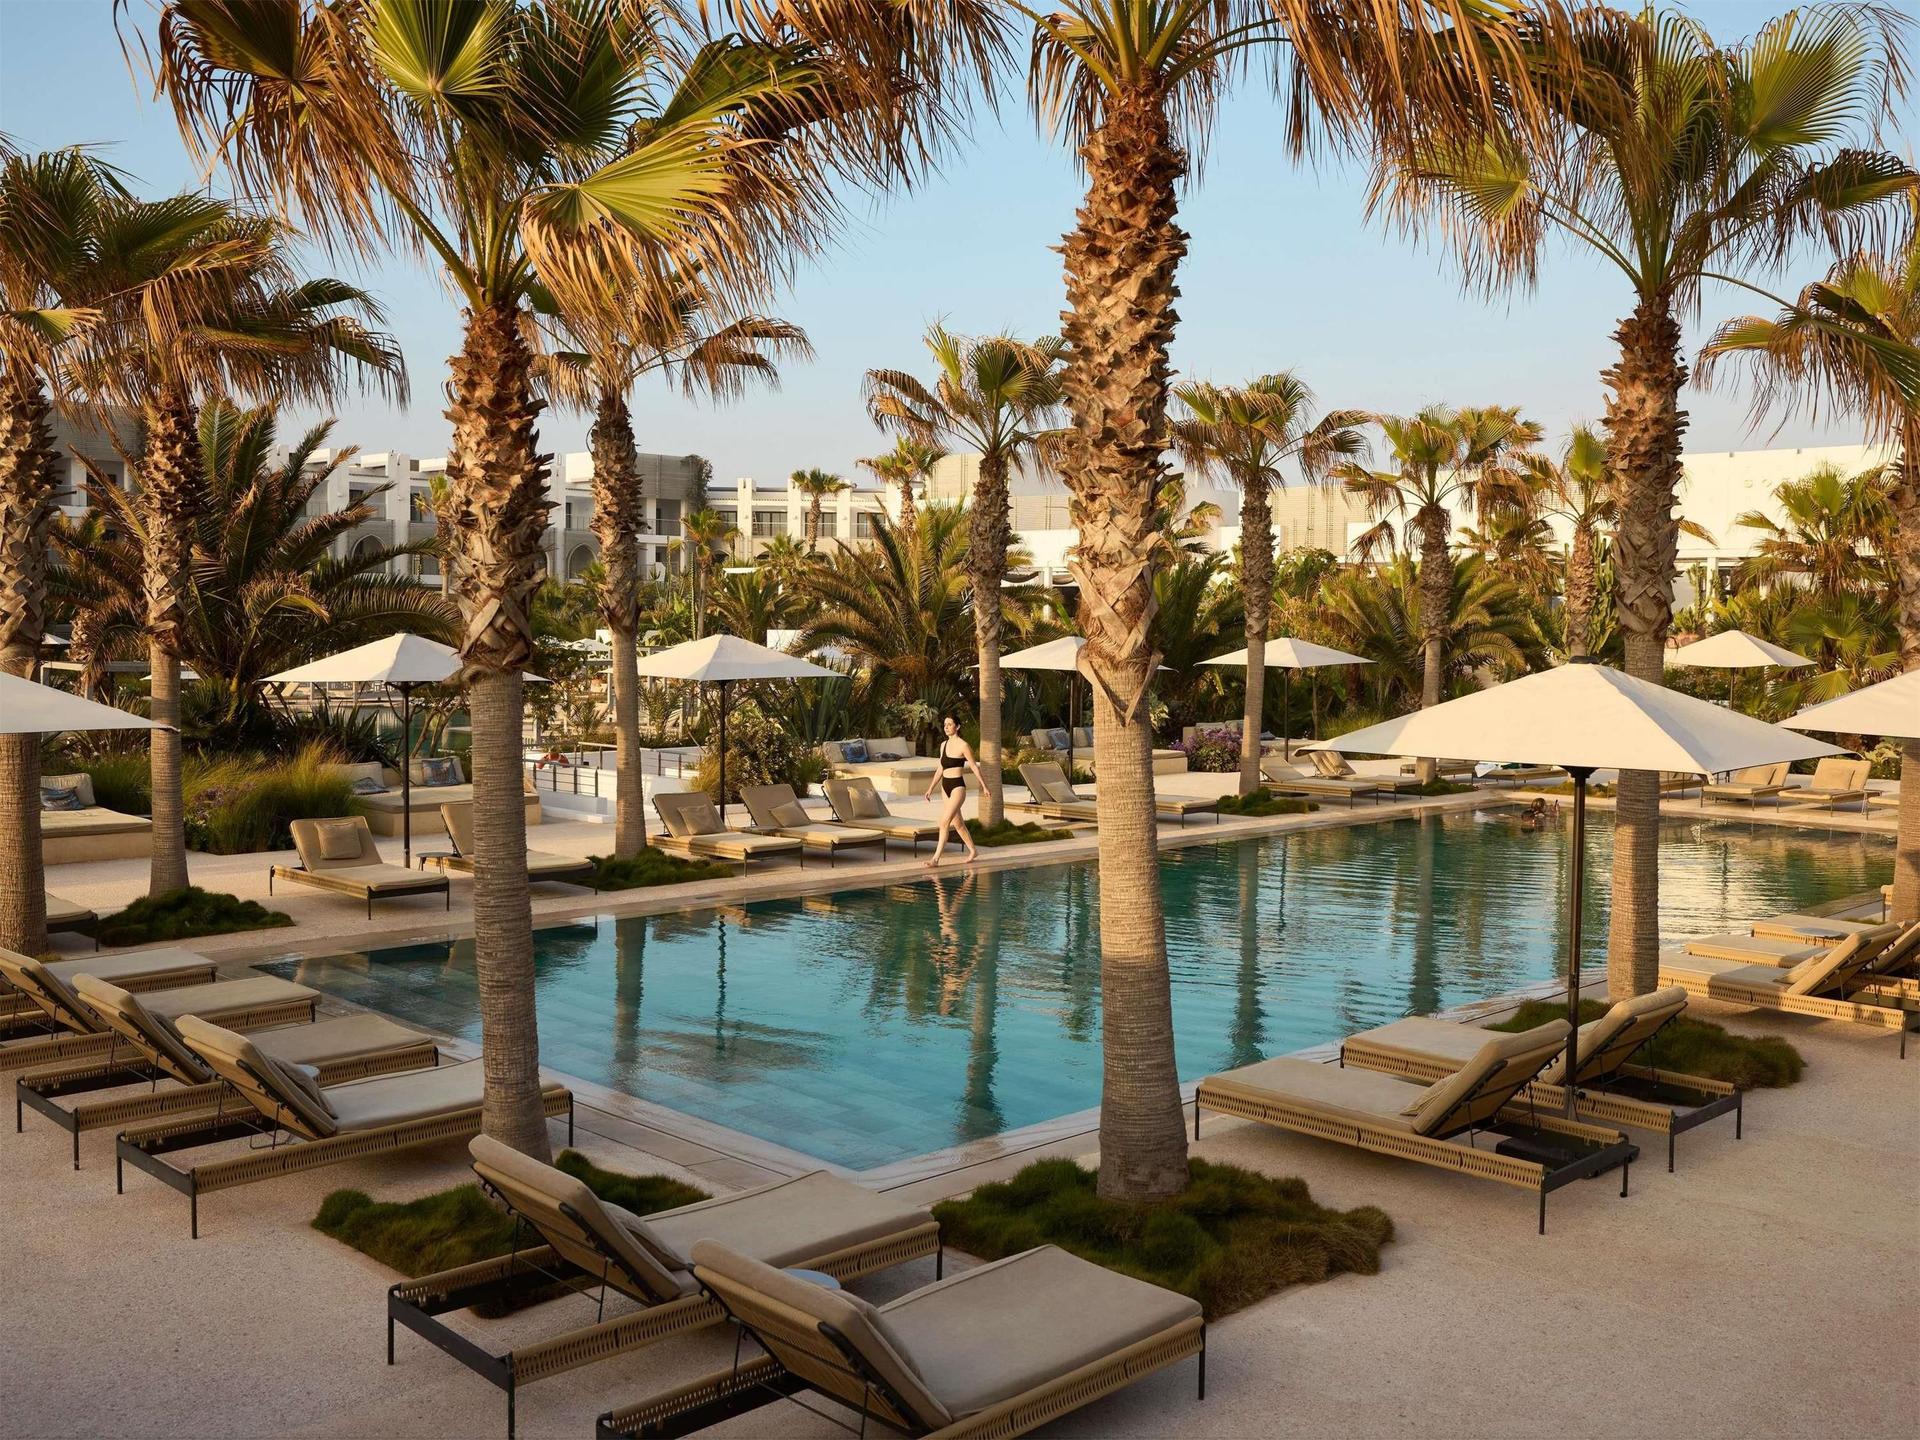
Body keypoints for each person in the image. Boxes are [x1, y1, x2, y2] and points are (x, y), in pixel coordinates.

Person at [923, 714, 984, 866]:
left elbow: (974, 767)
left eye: (950, 724)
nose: (946, 727)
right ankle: (973, 850)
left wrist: (984, 785)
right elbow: (940, 768)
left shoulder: (963, 745)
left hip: (957, 786)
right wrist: (930, 788)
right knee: (958, 824)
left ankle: (935, 859)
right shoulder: (943, 745)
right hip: (945, 786)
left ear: (957, 727)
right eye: (945, 725)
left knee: (943, 822)